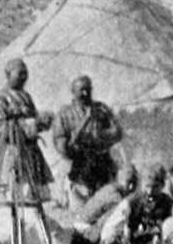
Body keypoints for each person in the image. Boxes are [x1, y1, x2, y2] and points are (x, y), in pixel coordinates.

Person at [0, 58, 53, 204]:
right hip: (12, 153)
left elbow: (34, 120)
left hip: (30, 154)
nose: (23, 78)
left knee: (32, 199)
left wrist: (42, 121)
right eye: (19, 74)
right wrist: (25, 125)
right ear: (8, 74)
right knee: (14, 198)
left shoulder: (26, 97)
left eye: (25, 74)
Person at [50, 75, 124, 203]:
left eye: (88, 89)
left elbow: (117, 132)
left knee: (106, 203)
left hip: (102, 166)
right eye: (81, 90)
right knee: (81, 207)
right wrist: (75, 141)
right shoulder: (64, 114)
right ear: (73, 91)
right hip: (78, 169)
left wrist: (101, 137)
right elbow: (60, 144)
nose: (85, 93)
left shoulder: (101, 109)